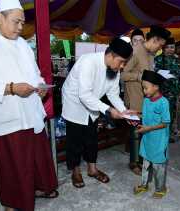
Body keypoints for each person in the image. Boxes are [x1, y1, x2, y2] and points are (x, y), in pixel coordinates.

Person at [0, 0, 58, 210]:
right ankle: (11, 203)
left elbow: (35, 74)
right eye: (16, 22)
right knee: (14, 167)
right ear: (0, 17)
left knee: (34, 163)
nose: (19, 27)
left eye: (22, 23)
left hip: (31, 112)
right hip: (7, 117)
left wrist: (40, 85)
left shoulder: (23, 44)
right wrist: (10, 88)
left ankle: (32, 192)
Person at [62, 38, 134, 188]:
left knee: (91, 138)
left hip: (93, 104)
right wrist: (108, 110)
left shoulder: (114, 69)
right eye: (121, 62)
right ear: (111, 55)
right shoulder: (88, 62)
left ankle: (92, 169)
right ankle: (75, 171)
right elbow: (84, 95)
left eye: (124, 63)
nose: (122, 66)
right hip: (74, 104)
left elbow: (113, 94)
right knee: (74, 140)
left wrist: (124, 112)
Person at [121, 26, 171, 175]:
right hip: (134, 97)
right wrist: (138, 76)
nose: (160, 48)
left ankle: (143, 158)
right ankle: (134, 163)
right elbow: (122, 74)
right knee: (136, 131)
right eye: (160, 45)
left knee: (145, 129)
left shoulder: (150, 54)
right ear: (154, 40)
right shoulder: (135, 51)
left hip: (147, 98)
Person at [133, 70, 170, 199]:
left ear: (156, 87)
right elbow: (145, 115)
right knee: (145, 164)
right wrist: (135, 114)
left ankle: (161, 188)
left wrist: (148, 128)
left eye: (146, 88)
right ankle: (144, 184)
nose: (144, 91)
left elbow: (165, 123)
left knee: (158, 167)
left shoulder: (163, 102)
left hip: (159, 141)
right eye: (143, 88)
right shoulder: (146, 100)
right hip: (147, 139)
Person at [155, 37, 180, 142]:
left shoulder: (176, 59)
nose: (171, 49)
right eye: (168, 47)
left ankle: (169, 134)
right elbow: (155, 74)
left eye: (173, 47)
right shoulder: (158, 59)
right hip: (162, 93)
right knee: (161, 114)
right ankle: (160, 135)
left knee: (171, 114)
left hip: (174, 93)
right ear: (163, 48)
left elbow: (179, 76)